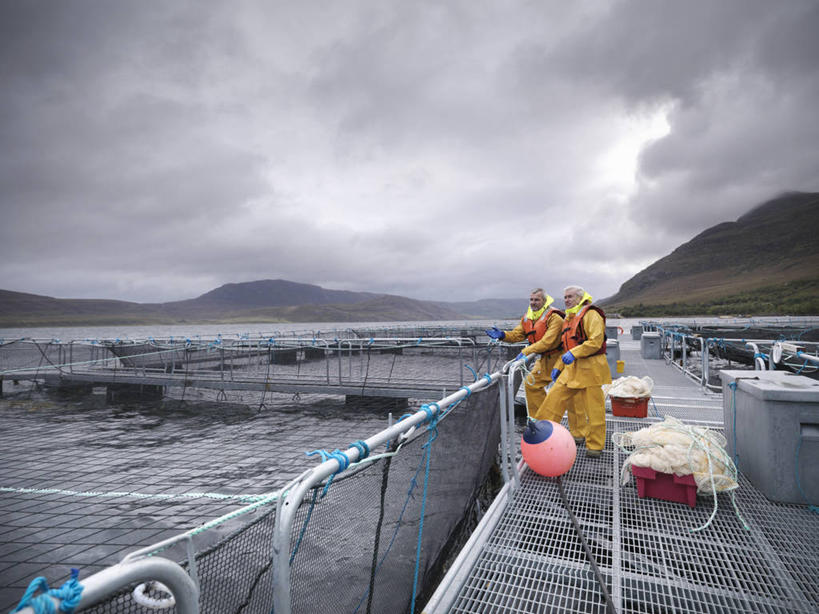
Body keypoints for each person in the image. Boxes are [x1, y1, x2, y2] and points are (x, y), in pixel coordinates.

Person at [485, 288, 587, 443]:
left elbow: (548, 341)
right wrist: (504, 335)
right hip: (544, 358)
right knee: (532, 385)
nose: (533, 303)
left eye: (537, 300)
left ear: (545, 301)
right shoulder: (528, 317)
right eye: (531, 300)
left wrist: (526, 351)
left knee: (571, 394)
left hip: (562, 358)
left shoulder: (555, 318)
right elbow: (518, 334)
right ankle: (540, 423)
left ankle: (579, 434)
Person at [534, 285, 611, 457]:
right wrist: (558, 367)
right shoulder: (570, 318)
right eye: (565, 297)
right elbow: (565, 347)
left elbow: (595, 341)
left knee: (594, 410)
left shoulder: (591, 314)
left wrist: (574, 353)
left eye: (570, 297)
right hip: (571, 369)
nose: (566, 300)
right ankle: (541, 434)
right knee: (553, 400)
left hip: (591, 368)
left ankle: (595, 446)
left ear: (580, 298)